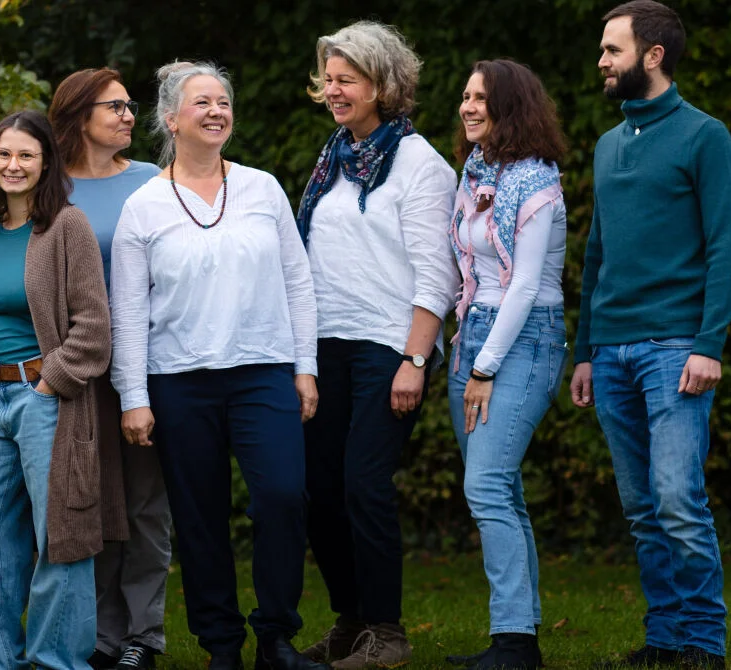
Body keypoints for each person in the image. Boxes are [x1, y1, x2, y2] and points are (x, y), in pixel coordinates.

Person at [109, 61, 320, 670]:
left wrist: (304, 366)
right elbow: (129, 309)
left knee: (282, 497)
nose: (216, 110)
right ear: (172, 120)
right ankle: (221, 645)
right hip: (178, 383)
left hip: (263, 374)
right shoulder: (144, 206)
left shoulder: (263, 188)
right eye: (201, 102)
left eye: (224, 100)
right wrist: (134, 397)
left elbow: (298, 282)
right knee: (200, 519)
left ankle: (276, 637)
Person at [573, 2, 731, 668]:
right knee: (643, 507)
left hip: (675, 346)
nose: (602, 61)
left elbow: (724, 245)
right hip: (610, 350)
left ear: (654, 55)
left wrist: (709, 344)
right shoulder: (608, 144)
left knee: (677, 497)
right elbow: (595, 252)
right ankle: (664, 636)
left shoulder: (705, 137)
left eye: (613, 50)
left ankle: (703, 640)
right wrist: (585, 350)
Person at [294, 21, 456, 670]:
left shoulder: (421, 166)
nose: (334, 91)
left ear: (382, 85)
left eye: (347, 80)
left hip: (389, 346)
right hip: (324, 343)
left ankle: (388, 632)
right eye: (328, 79)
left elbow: (436, 274)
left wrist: (415, 360)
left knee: (364, 484)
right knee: (316, 489)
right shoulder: (334, 155)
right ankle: (350, 619)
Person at [0, 110, 114, 670]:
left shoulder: (67, 227)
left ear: (46, 162)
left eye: (25, 155)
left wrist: (49, 383)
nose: (12, 165)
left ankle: (57, 660)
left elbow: (94, 330)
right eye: (3, 154)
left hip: (46, 398)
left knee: (59, 536)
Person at [439, 60, 568, 670]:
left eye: (481, 98)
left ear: (509, 106)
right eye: (465, 96)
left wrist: (486, 368)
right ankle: (522, 636)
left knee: (486, 485)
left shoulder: (537, 180)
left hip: (522, 340)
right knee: (501, 488)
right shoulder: (476, 172)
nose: (467, 107)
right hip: (474, 336)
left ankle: (513, 641)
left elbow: (523, 287)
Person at [47, 67, 166, 670]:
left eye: (130, 106)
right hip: (76, 365)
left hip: (144, 360)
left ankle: (144, 635)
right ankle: (99, 633)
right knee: (89, 497)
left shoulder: (151, 181)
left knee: (144, 499)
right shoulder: (50, 188)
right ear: (78, 116)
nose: (127, 115)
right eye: (114, 106)